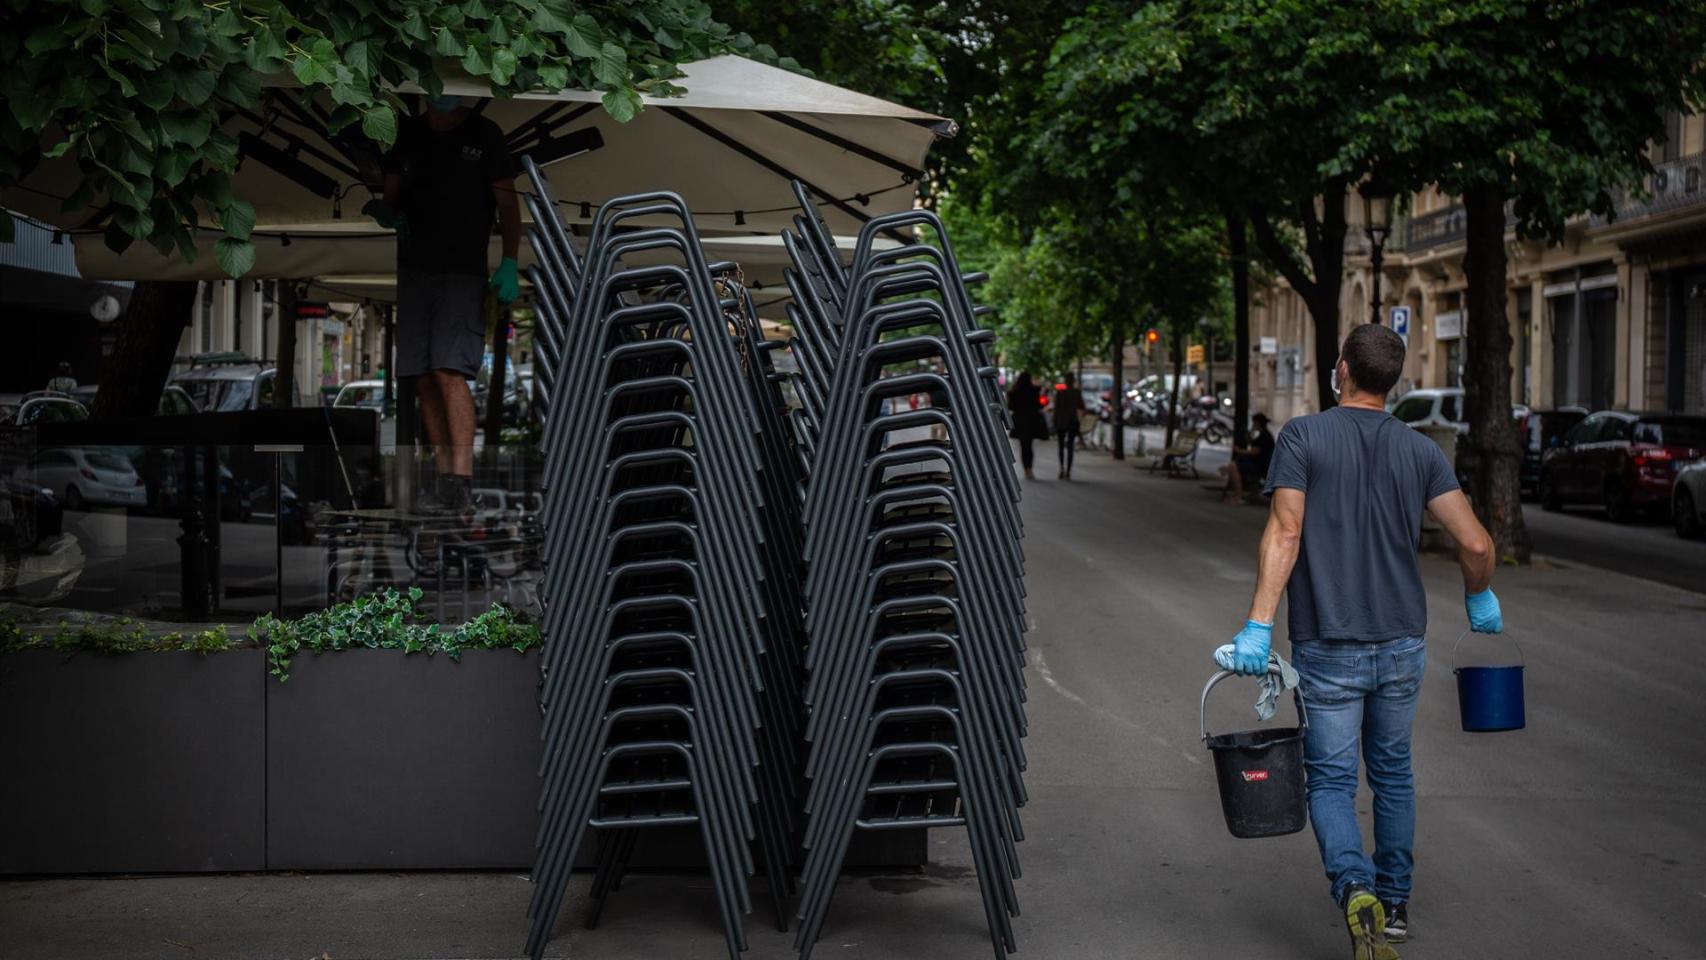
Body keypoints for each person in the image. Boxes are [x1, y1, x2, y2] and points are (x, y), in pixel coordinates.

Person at [1219, 324, 1501, 960]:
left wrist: (1259, 623)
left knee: (1331, 782)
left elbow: (1285, 533)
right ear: (1391, 381)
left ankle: (1354, 887)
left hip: (1328, 640)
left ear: (1340, 368)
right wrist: (1479, 595)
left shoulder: (1304, 437)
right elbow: (1477, 543)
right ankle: (1395, 905)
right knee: (1394, 773)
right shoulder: (1421, 451)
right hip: (1403, 639)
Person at [373, 94, 522, 513]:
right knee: (422, 376)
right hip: (415, 270)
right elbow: (391, 196)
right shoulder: (405, 133)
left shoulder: (484, 134)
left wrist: (509, 260)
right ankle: (444, 479)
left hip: (462, 271)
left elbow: (509, 204)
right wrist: (386, 212)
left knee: (448, 370)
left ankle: (461, 478)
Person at [1220, 412, 1275, 502]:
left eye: (1254, 423)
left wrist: (1239, 451)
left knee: (1232, 466)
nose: (1253, 425)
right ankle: (1250, 493)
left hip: (1261, 465)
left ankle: (1238, 495)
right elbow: (1253, 444)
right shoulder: (1263, 434)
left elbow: (1253, 452)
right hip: (1261, 464)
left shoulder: (1264, 436)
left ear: (1257, 423)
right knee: (1233, 465)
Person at [1005, 372, 1048, 480]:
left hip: (1020, 421)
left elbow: (1010, 406)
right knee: (1029, 446)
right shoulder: (1034, 391)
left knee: (1024, 446)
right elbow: (1039, 405)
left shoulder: (1014, 392)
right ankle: (1030, 469)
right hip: (1032, 421)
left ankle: (1026, 469)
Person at [1050, 372, 1087, 479]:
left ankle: (1061, 468)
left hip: (1061, 422)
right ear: (1073, 380)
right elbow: (1082, 407)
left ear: (1065, 381)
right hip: (1072, 422)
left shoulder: (1060, 393)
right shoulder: (1076, 393)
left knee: (1061, 446)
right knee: (1070, 447)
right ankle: (1068, 471)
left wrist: (1054, 421)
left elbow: (1056, 410)